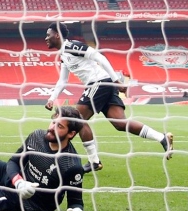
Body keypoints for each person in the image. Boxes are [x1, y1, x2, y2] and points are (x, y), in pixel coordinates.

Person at [44, 22, 173, 172]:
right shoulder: (64, 55)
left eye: (48, 35)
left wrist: (116, 80)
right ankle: (162, 138)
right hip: (103, 85)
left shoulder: (71, 46)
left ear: (57, 35)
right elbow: (63, 80)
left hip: (99, 83)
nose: (46, 38)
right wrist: (52, 98)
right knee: (120, 123)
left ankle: (93, 162)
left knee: (76, 120)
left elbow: (99, 57)